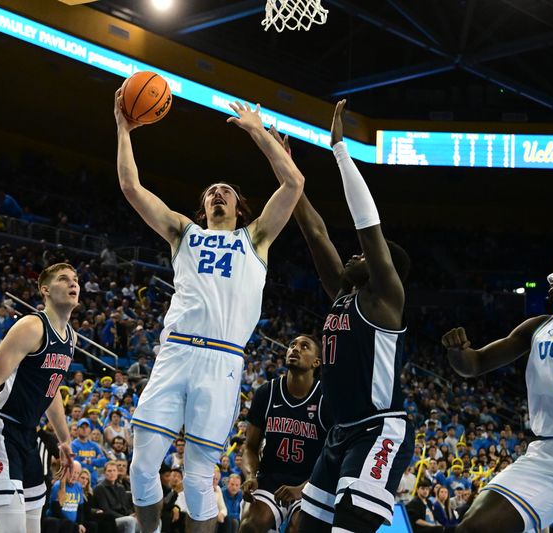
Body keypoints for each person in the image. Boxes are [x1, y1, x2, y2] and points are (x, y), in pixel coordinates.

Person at [115, 88, 304, 533]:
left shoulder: (256, 239)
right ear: (203, 207)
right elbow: (130, 186)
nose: (218, 195)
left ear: (240, 207)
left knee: (200, 478)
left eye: (227, 192)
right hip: (176, 352)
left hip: (222, 360)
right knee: (142, 465)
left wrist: (260, 134)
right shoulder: (184, 233)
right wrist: (124, 129)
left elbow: (294, 184)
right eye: (211, 192)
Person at [278, 100, 414, 532]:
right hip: (340, 433)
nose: (354, 254)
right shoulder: (343, 293)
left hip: (377, 432)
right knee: (306, 528)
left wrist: (339, 151)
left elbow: (366, 226)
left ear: (380, 266)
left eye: (364, 255)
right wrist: (288, 175)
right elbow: (315, 230)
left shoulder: (385, 300)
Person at [441, 251, 553, 533]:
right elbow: (475, 365)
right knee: (473, 528)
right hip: (549, 451)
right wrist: (457, 353)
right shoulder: (538, 326)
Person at [0, 263, 77, 533]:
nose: (73, 284)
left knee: (32, 528)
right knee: (12, 529)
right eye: (64, 279)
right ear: (45, 290)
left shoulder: (71, 338)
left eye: (75, 279)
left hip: (27, 435)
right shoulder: (32, 326)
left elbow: (52, 389)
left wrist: (65, 440)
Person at [239, 335, 328, 533]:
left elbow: (332, 458)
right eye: (292, 345)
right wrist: (251, 476)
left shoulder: (326, 399)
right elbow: (251, 447)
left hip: (311, 483)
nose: (295, 349)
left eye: (304, 346)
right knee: (250, 526)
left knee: (300, 528)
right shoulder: (266, 393)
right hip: (270, 480)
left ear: (316, 362)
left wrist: (302, 488)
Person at [93, 462, 137, 533]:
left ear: (117, 473)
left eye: (114, 471)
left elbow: (126, 507)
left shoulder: (121, 488)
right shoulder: (99, 488)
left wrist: (131, 514)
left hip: (125, 517)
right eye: (109, 471)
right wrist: (126, 517)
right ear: (105, 473)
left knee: (152, 522)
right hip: (111, 520)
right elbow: (107, 510)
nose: (112, 473)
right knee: (130, 521)